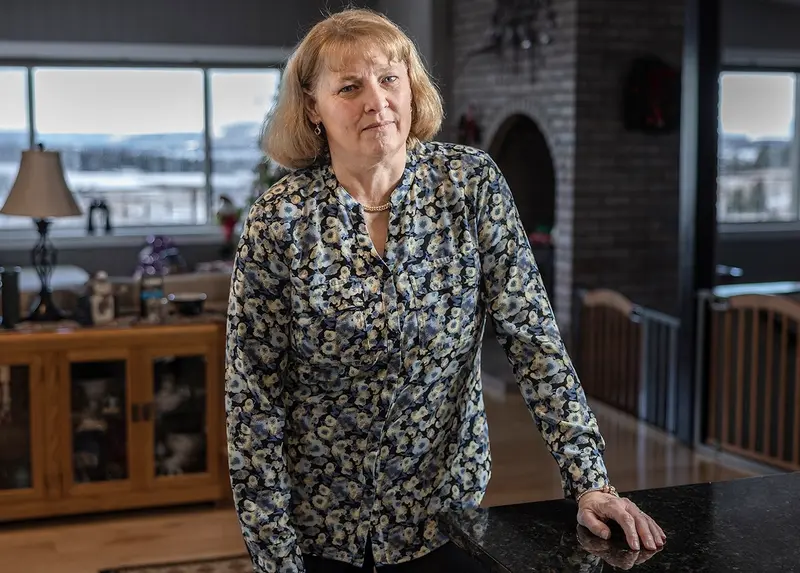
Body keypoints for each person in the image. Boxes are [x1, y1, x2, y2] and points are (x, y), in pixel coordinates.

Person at [224, 7, 666, 573]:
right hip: (321, 532)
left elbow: (534, 341)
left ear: (411, 86)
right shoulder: (278, 220)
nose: (377, 100)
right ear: (312, 106)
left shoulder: (470, 183)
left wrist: (589, 480)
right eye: (350, 86)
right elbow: (252, 402)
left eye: (390, 78)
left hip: (446, 519)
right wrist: (275, 558)